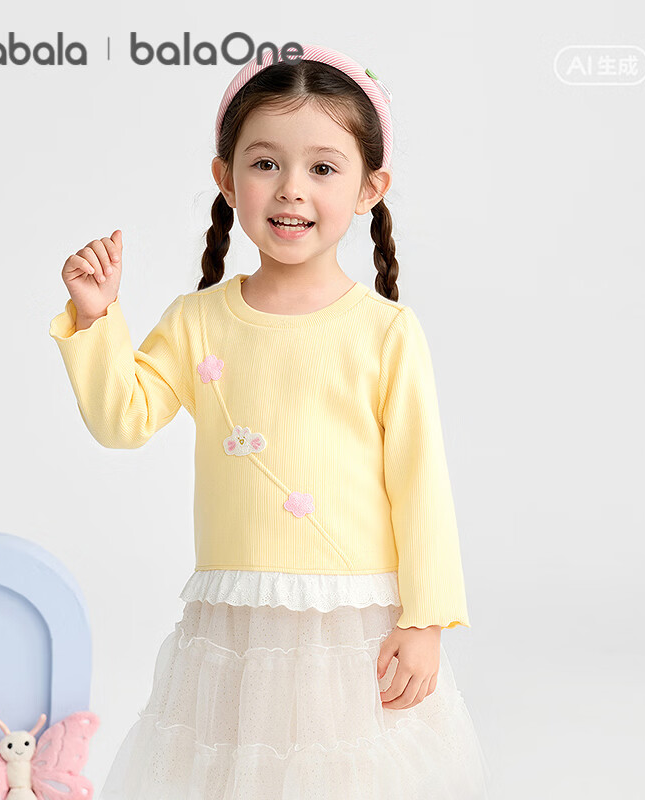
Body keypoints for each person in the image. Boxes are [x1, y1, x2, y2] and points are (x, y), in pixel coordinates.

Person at [49, 42, 491, 800]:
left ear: (370, 188)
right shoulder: (196, 321)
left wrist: (426, 621)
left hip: (351, 623)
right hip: (236, 627)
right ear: (225, 178)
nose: (291, 189)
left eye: (322, 168)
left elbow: (420, 484)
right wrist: (97, 320)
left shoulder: (385, 332)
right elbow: (124, 418)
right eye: (265, 164)